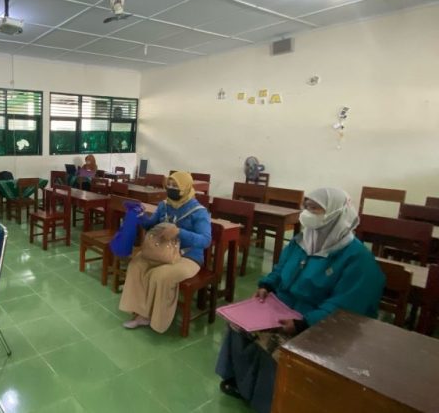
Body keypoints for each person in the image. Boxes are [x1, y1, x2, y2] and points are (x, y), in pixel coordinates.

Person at [215, 188, 385, 413]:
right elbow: (281, 268)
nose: (307, 213)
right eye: (306, 206)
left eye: (315, 208)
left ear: (336, 213)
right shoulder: (302, 241)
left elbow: (344, 308)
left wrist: (304, 323)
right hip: (281, 307)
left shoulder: (357, 259)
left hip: (316, 322)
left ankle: (268, 402)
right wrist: (267, 286)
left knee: (273, 344)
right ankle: (239, 380)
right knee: (237, 325)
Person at [119, 171, 212, 333]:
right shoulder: (164, 205)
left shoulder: (198, 211)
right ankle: (138, 311)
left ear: (185, 187)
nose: (170, 188)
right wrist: (141, 217)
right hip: (162, 251)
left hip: (187, 256)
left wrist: (179, 232)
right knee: (136, 264)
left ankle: (153, 318)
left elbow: (205, 240)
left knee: (159, 275)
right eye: (168, 185)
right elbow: (151, 225)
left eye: (175, 186)